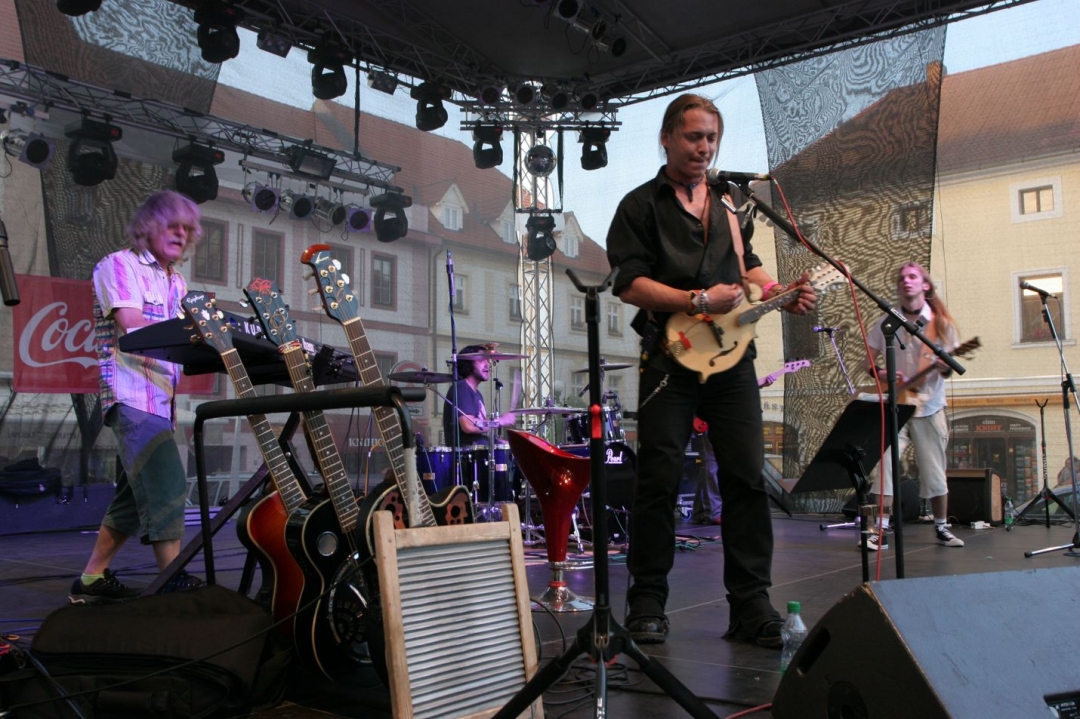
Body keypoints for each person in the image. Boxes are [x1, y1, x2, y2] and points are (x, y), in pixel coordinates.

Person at [605, 94, 816, 647]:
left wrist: (780, 292)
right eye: (694, 136)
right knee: (659, 479)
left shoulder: (730, 202)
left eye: (712, 138)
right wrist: (696, 300)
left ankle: (750, 606)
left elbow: (748, 267)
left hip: (732, 359)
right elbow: (629, 284)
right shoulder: (639, 205)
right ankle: (647, 603)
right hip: (668, 356)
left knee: (745, 478)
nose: (704, 147)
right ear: (667, 138)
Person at [69, 190, 205, 605]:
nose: (181, 235)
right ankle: (171, 578)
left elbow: (181, 341)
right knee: (166, 482)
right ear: (148, 227)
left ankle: (91, 579)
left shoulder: (177, 282)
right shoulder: (118, 265)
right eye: (172, 226)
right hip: (130, 395)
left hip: (162, 401)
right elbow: (132, 324)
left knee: (132, 498)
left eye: (187, 229)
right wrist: (194, 333)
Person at [863, 262, 964, 550]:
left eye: (912, 276)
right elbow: (868, 362)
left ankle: (942, 527)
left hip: (929, 406)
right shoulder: (887, 322)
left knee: (933, 471)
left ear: (925, 285)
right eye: (902, 278)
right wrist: (880, 373)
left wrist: (944, 367)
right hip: (896, 405)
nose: (906, 281)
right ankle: (879, 529)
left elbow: (948, 369)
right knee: (884, 468)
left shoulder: (941, 324)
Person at [442, 345, 517, 448]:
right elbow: (468, 425)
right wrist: (500, 421)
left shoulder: (477, 394)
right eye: (481, 360)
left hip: (479, 451)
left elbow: (481, 429)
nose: (487, 364)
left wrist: (501, 443)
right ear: (469, 363)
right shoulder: (462, 388)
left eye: (487, 360)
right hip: (467, 455)